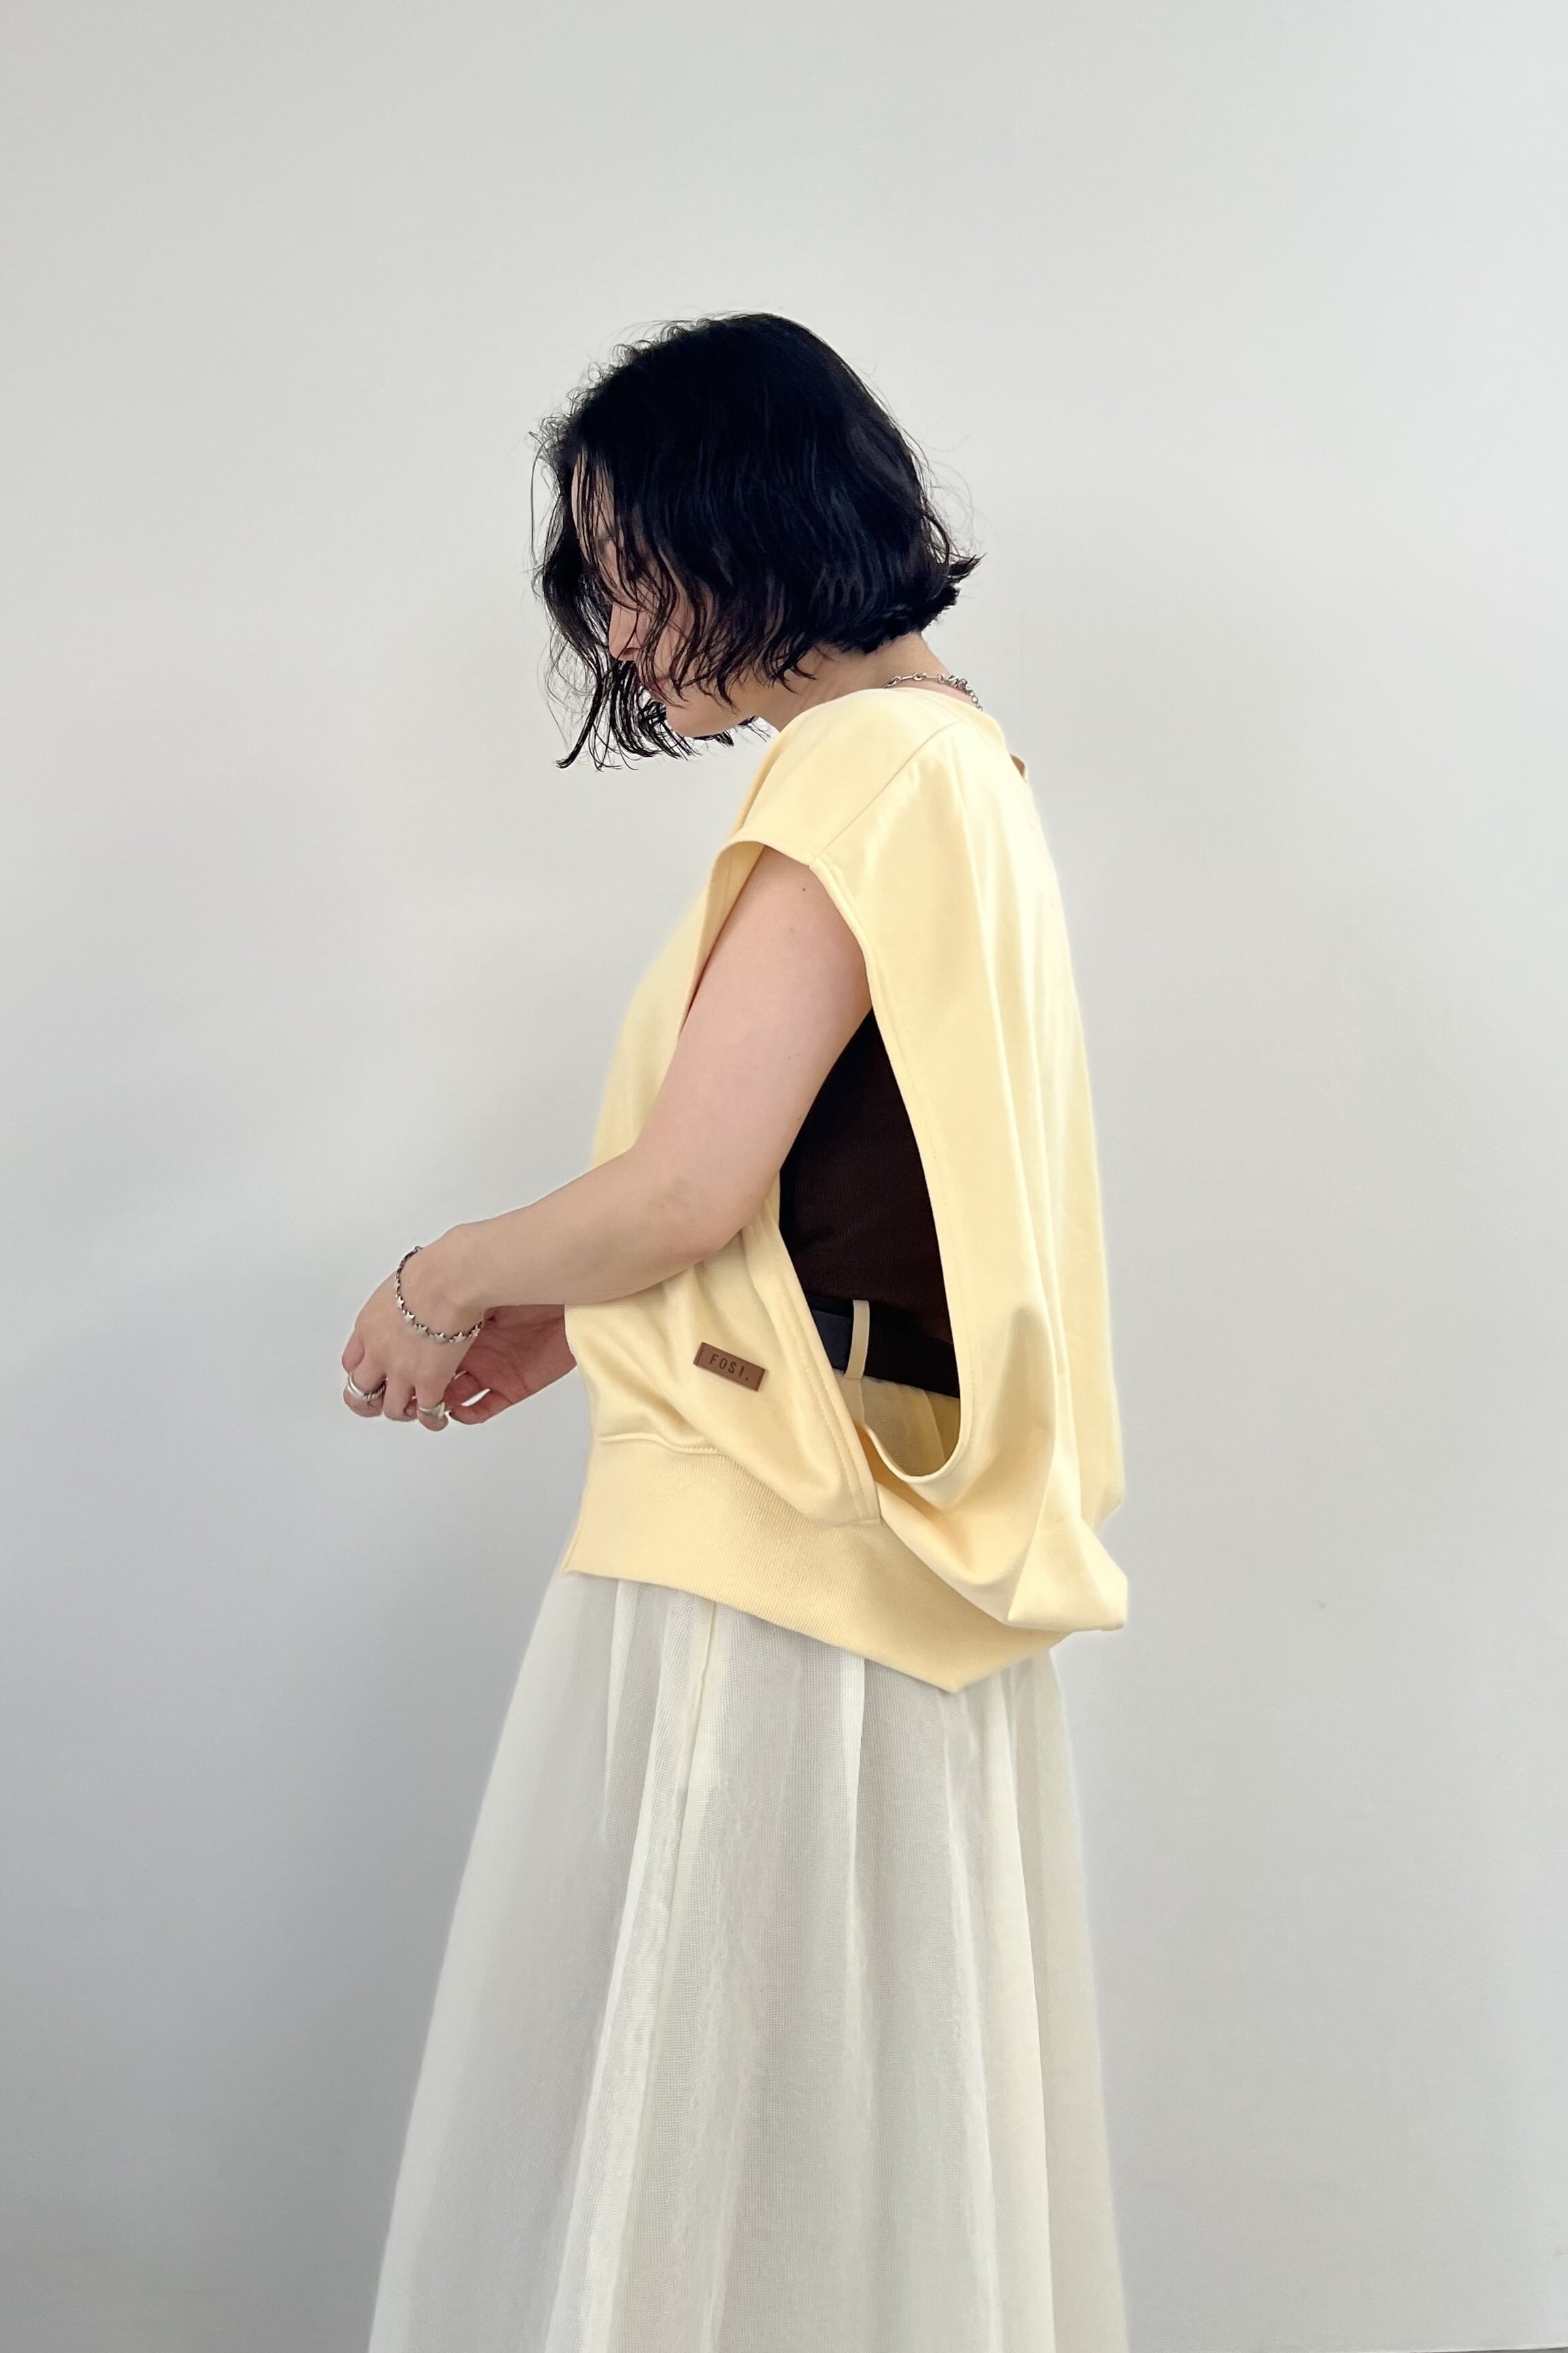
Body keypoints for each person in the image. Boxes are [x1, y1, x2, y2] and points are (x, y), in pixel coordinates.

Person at [348, 312, 1131, 2352]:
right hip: (873, 1503)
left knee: (694, 2114)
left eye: (631, 563)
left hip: (773, 1527)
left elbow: (695, 1182)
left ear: (749, 519)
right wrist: (574, 1303)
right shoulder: (967, 763)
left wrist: (448, 1276)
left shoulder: (863, 766)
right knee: (846, 2127)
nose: (616, 626)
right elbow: (838, 1185)